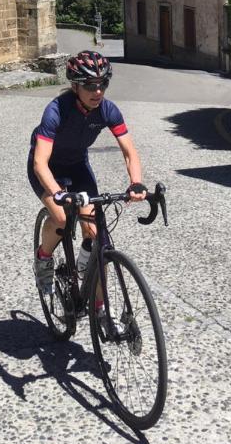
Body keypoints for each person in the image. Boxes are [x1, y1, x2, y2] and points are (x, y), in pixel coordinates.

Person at [28, 50, 146, 320]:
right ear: (74, 85)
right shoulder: (56, 111)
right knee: (60, 216)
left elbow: (129, 151)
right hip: (48, 169)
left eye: (103, 84)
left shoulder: (107, 110)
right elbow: (40, 163)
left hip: (78, 165)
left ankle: (98, 307)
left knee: (95, 232)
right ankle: (44, 257)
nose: (98, 91)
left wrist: (136, 182)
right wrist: (58, 194)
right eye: (90, 86)